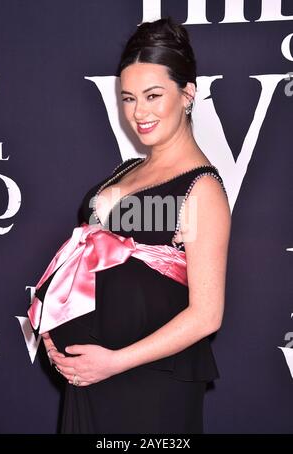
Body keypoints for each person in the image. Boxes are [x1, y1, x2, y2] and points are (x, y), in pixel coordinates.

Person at [29, 17, 231, 434]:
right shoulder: (125, 171)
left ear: (188, 93)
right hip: (87, 382)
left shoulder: (201, 187)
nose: (139, 112)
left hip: (147, 387)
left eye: (154, 96)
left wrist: (114, 362)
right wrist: (54, 331)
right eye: (128, 98)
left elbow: (207, 315)